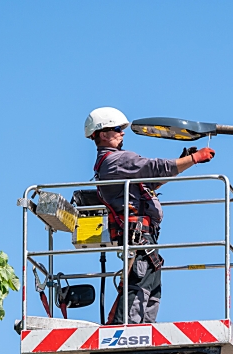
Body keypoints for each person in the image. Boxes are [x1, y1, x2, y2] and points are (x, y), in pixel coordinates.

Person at [85, 107, 215, 325]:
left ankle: (143, 330)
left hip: (145, 239)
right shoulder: (117, 161)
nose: (122, 133)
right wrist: (194, 158)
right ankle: (122, 332)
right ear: (102, 134)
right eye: (117, 129)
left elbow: (151, 181)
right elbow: (154, 167)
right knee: (137, 289)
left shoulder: (115, 164)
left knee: (150, 292)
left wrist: (183, 162)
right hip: (138, 238)